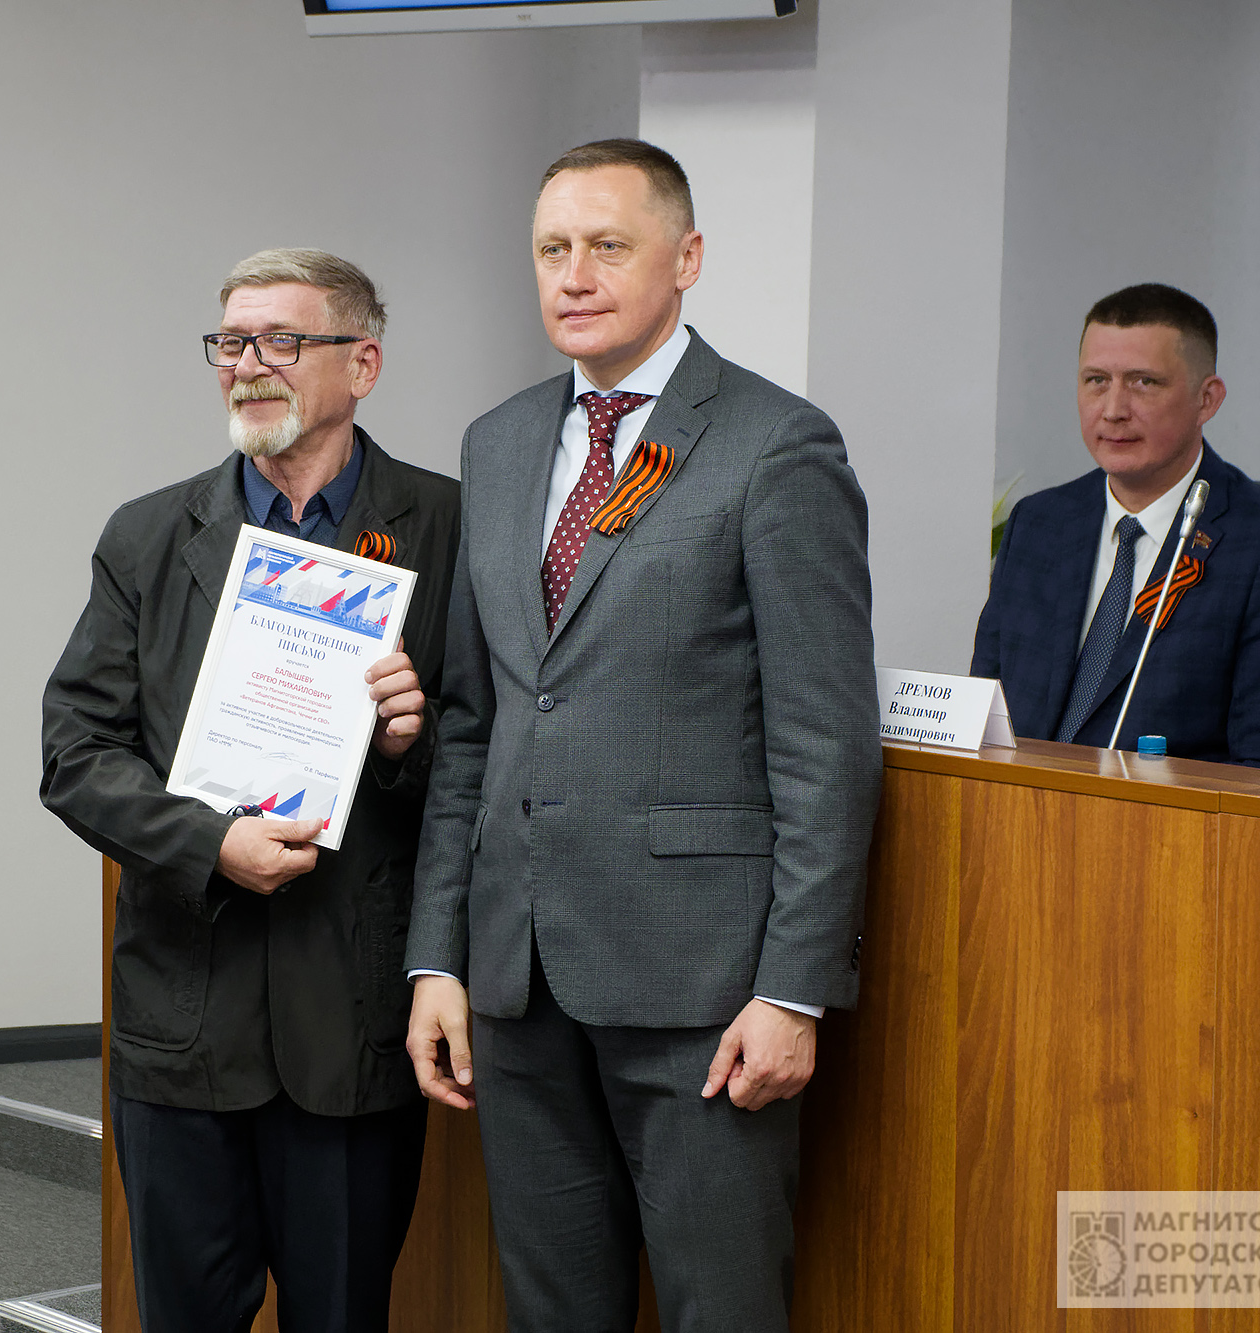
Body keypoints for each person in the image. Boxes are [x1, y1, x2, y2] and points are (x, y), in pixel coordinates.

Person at [402, 139, 879, 1332]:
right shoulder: (497, 443)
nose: (574, 275)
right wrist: (438, 957)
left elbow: (825, 744)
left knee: (720, 1308)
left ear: (686, 257)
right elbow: (472, 724)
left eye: (607, 245)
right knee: (550, 1310)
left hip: (702, 988)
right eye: (551, 249)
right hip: (516, 977)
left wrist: (793, 989)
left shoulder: (775, 444)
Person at [41, 248, 460, 1333]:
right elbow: (76, 752)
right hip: (183, 1018)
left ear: (362, 363)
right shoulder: (147, 536)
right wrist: (209, 844)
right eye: (230, 341)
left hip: (352, 1024)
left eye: (282, 340)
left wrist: (407, 743)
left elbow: (488, 765)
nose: (247, 364)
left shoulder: (451, 529)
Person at [972, 282, 1260, 773]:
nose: (1113, 409)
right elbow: (983, 727)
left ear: (1206, 400)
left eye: (1144, 382)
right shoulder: (1039, 525)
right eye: (1096, 380)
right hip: (1017, 812)